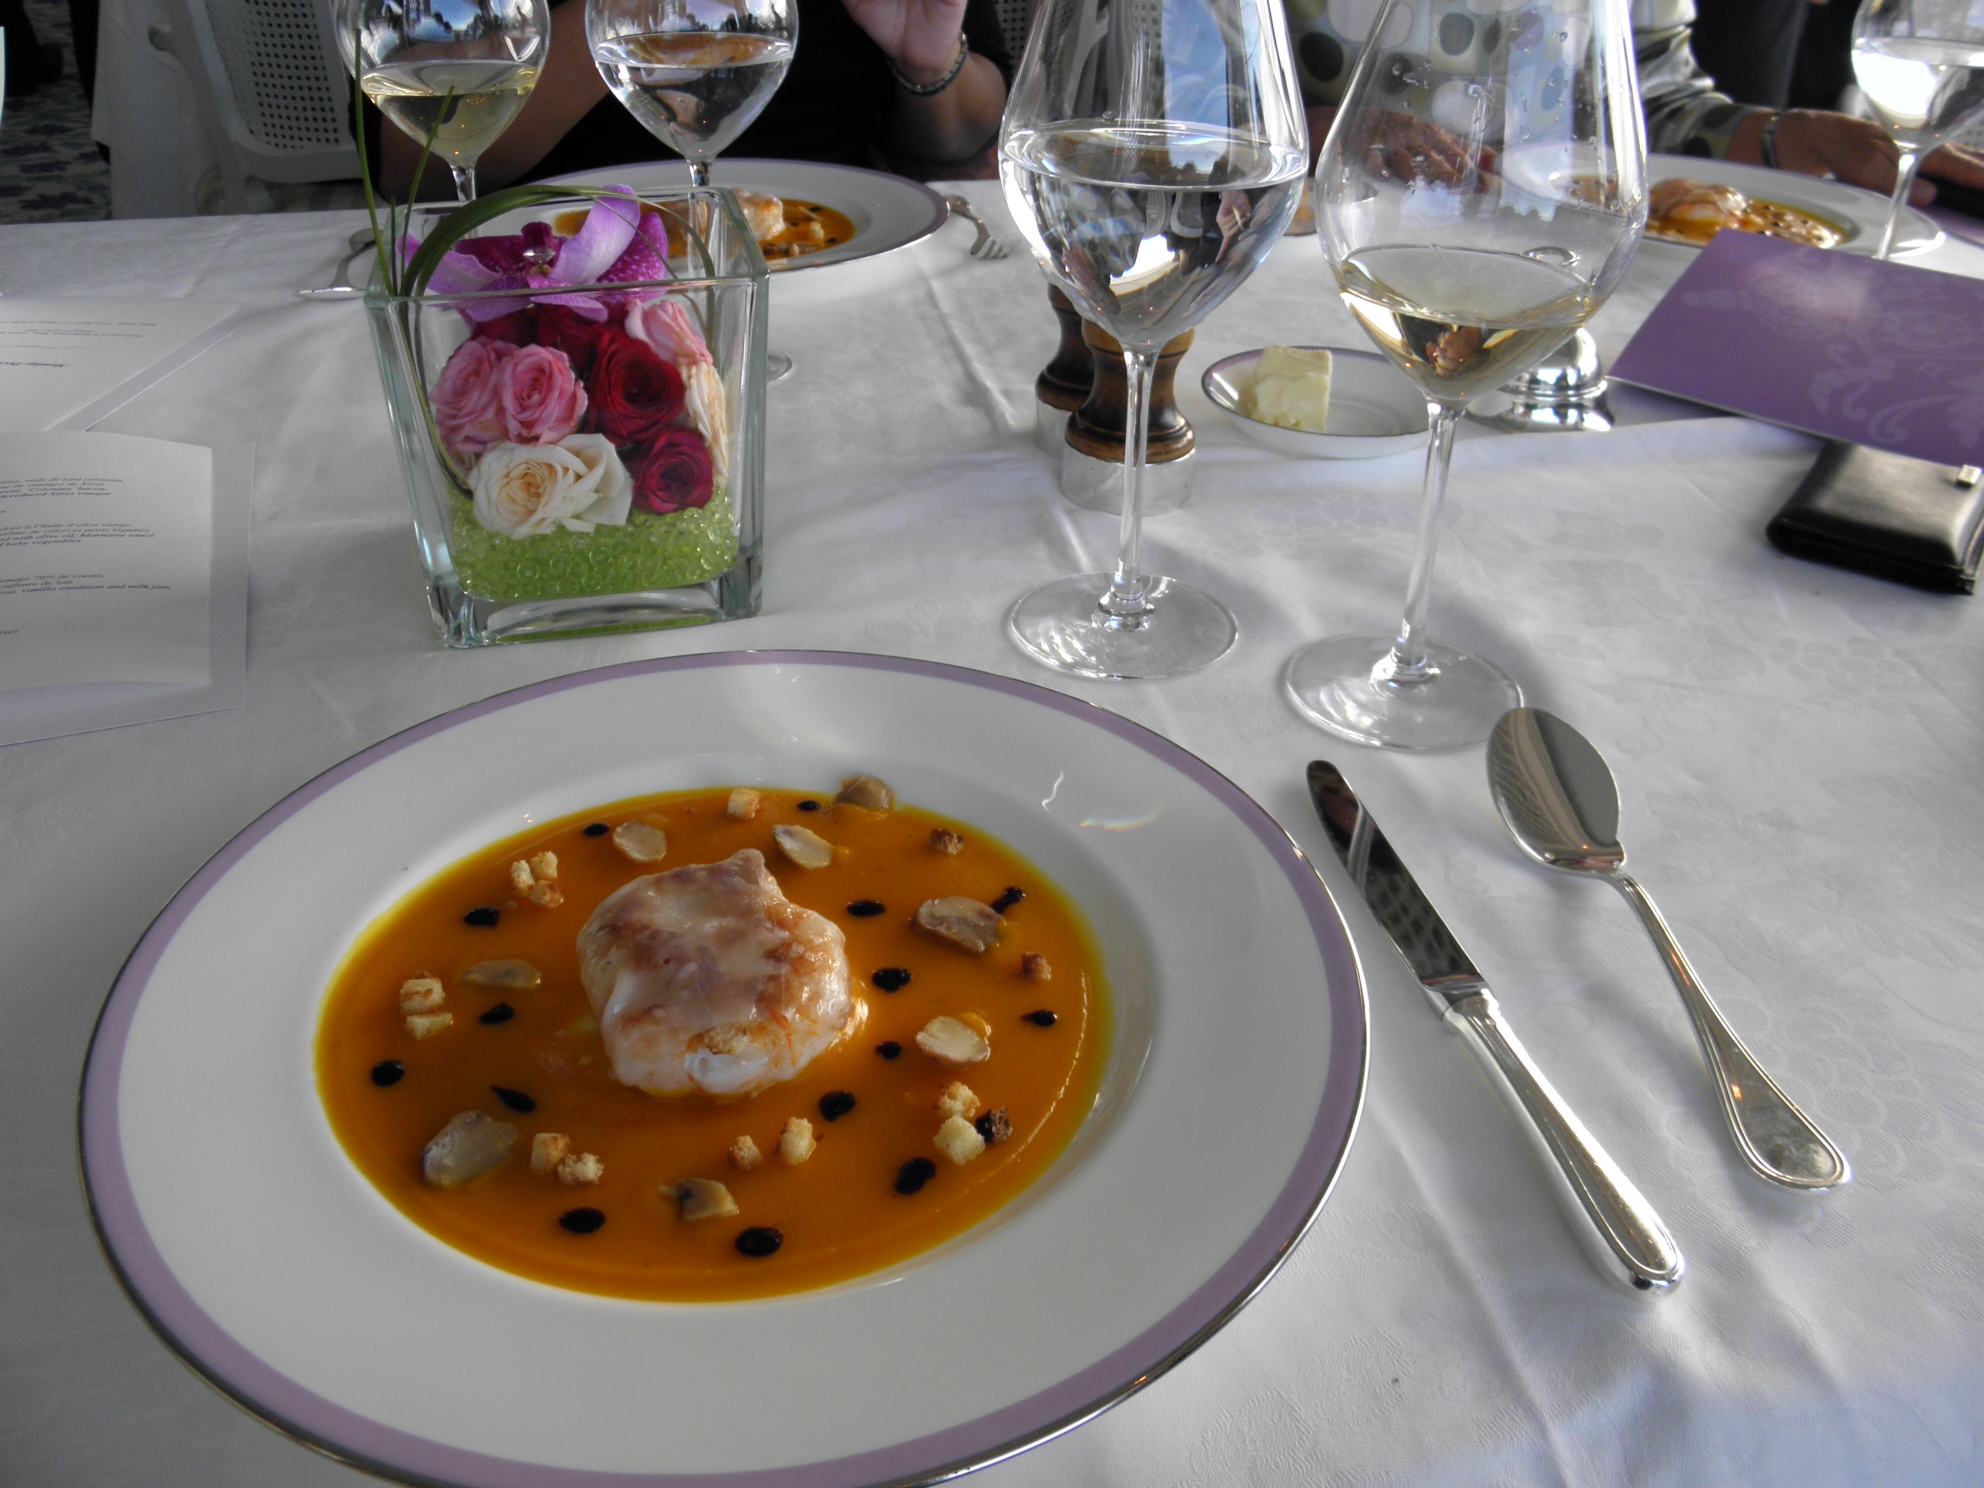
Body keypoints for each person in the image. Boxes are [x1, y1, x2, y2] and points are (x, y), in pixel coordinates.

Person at [1285, 0, 1984, 206]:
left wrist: (1784, 135)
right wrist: (1325, 131)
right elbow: (1219, 95)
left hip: (1543, 261)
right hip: (1321, 251)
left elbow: (1653, 98)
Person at [378, 0, 1009, 197]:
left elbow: (967, 144)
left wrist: (929, 63)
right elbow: (414, 166)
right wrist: (631, 17)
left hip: (835, 251)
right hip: (567, 274)